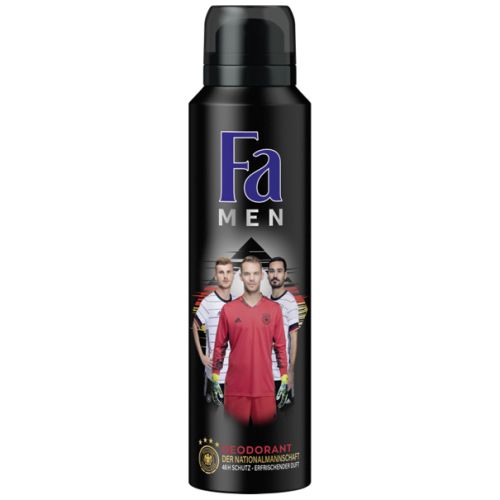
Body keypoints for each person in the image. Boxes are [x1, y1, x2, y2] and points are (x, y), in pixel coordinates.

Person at [211, 255, 288, 425]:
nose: (251, 278)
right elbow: (219, 346)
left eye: (255, 273)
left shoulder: (274, 309)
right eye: (247, 274)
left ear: (262, 275)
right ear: (241, 277)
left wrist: (284, 377)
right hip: (235, 390)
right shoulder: (228, 310)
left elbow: (281, 346)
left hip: (265, 389)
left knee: (266, 438)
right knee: (233, 439)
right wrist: (215, 376)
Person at [192, 257, 234, 401]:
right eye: (221, 272)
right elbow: (194, 326)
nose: (225, 276)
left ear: (233, 275)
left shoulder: (238, 302)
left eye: (228, 272)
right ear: (216, 276)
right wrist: (202, 356)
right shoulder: (208, 302)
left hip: (235, 375)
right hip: (214, 376)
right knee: (214, 411)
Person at [267, 256, 300, 400]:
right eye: (272, 271)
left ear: (285, 275)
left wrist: (290, 371)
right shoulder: (265, 301)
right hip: (265, 373)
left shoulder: (290, 301)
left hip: (282, 375)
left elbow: (293, 338)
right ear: (267, 275)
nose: (275, 275)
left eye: (279, 271)